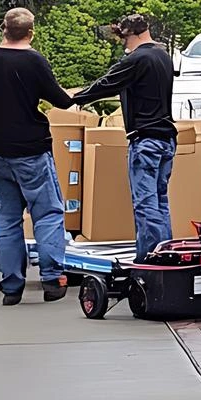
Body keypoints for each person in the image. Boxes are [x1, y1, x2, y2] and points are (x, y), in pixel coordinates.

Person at [0, 8, 76, 305]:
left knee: (8, 218)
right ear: (31, 32)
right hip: (31, 152)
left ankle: (11, 285)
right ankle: (53, 279)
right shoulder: (34, 61)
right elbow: (62, 101)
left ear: (3, 29)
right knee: (48, 214)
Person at [71, 13, 177, 261]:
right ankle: (167, 256)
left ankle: (150, 261)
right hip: (167, 139)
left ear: (133, 34)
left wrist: (73, 98)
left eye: (124, 38)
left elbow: (107, 83)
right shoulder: (163, 56)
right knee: (160, 201)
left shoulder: (138, 58)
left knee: (145, 204)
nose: (123, 44)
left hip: (146, 140)